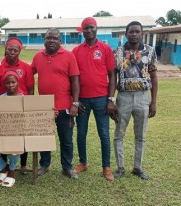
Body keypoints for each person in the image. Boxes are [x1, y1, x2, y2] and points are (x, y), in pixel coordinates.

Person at [32, 28, 80, 179]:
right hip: (44, 106)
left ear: (60, 41)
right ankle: (44, 164)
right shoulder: (38, 56)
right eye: (48, 38)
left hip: (65, 106)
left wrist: (75, 103)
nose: (52, 40)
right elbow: (28, 74)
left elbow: (75, 81)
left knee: (66, 139)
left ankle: (67, 167)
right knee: (44, 138)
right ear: (44, 40)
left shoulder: (69, 56)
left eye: (55, 38)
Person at [71, 17, 115, 181]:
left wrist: (111, 99)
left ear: (96, 28)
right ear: (82, 31)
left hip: (101, 99)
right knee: (81, 133)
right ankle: (83, 162)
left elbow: (112, 75)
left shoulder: (105, 49)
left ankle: (106, 167)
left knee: (103, 133)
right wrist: (75, 99)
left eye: (91, 27)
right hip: (82, 100)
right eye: (85, 28)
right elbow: (72, 77)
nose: (88, 31)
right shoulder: (76, 51)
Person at [112, 21, 158, 180]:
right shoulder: (117, 52)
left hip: (143, 97)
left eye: (137, 31)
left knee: (141, 135)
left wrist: (153, 101)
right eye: (131, 32)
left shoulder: (150, 51)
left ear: (141, 33)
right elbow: (113, 77)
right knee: (119, 134)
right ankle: (120, 167)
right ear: (126, 33)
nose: (134, 34)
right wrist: (111, 100)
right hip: (123, 97)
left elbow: (153, 76)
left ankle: (137, 167)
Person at [0, 37, 34, 175]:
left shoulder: (26, 67)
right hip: (4, 104)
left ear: (19, 52)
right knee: (5, 134)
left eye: (15, 50)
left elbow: (30, 89)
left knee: (22, 134)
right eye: (9, 49)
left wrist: (29, 105)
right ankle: (4, 164)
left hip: (21, 105)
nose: (12, 52)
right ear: (5, 49)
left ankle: (22, 165)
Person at [0, 71, 23, 187]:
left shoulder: (24, 99)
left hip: (18, 135)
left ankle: (11, 171)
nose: (11, 85)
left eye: (13, 82)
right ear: (4, 84)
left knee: (15, 145)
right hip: (1, 133)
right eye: (8, 83)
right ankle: (3, 166)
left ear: (18, 83)